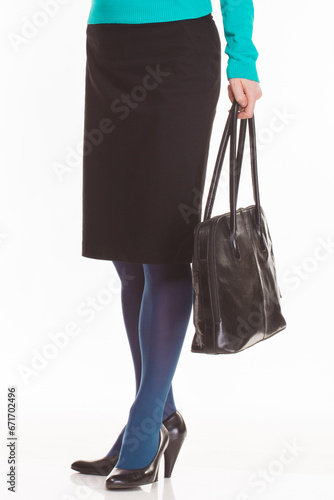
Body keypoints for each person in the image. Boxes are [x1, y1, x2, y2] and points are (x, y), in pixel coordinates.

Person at [71, 0, 263, 490]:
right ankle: (162, 414)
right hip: (110, 46)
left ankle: (143, 426)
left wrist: (243, 57)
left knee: (162, 247)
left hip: (179, 46)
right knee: (127, 255)